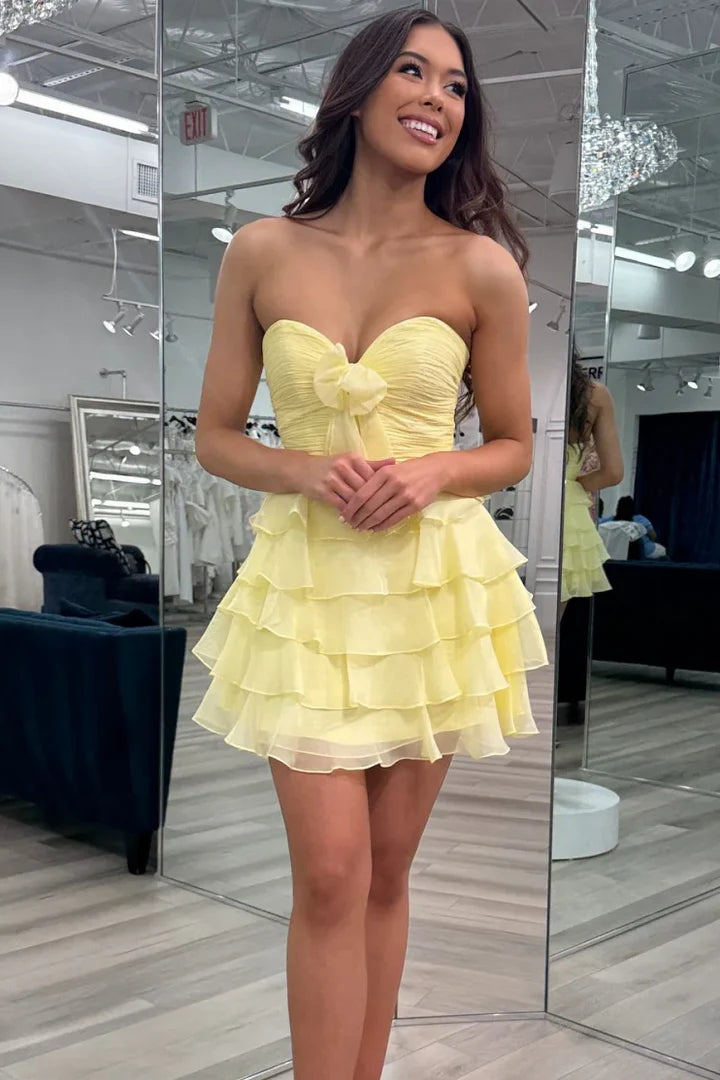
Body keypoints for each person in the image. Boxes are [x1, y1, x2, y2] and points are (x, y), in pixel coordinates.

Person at [192, 10, 547, 1078]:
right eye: (412, 71)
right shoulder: (262, 251)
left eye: (456, 85)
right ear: (356, 90)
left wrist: (435, 471)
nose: (437, 97)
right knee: (331, 873)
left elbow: (515, 445)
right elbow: (215, 436)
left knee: (386, 873)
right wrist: (303, 468)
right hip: (307, 585)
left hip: (433, 589)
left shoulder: (481, 268)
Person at [561, 350, 624, 616]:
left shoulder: (519, 380)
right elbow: (613, 472)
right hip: (568, 512)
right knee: (548, 626)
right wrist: (575, 482)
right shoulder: (594, 395)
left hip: (511, 498)